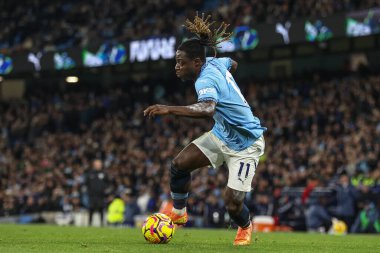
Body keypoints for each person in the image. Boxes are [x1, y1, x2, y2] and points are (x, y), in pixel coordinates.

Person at [144, 13, 266, 246]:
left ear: (197, 63)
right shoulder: (217, 63)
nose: (177, 67)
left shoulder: (204, 80)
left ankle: (245, 226)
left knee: (232, 202)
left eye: (181, 62)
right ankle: (179, 213)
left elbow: (207, 108)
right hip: (222, 134)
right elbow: (232, 62)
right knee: (179, 165)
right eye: (176, 61)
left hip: (246, 143)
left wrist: (168, 109)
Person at [84, 158, 108, 226]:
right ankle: (89, 224)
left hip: (101, 195)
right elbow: (86, 183)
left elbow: (107, 183)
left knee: (101, 209)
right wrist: (88, 191)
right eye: (97, 164)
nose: (99, 165)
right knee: (91, 209)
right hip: (92, 195)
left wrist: (105, 189)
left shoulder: (104, 174)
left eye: (100, 164)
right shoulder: (90, 174)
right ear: (94, 165)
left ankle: (102, 224)